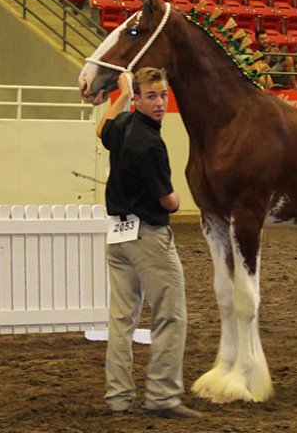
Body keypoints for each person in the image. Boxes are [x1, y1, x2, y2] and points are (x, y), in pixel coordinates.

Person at [96, 68, 201, 419]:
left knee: (121, 319)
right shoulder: (151, 144)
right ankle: (162, 395)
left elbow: (101, 129)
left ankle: (118, 397)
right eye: (152, 96)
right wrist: (178, 201)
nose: (160, 103)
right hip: (148, 238)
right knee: (171, 315)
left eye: (163, 95)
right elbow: (168, 201)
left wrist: (122, 95)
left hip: (118, 237)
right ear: (140, 100)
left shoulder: (124, 125)